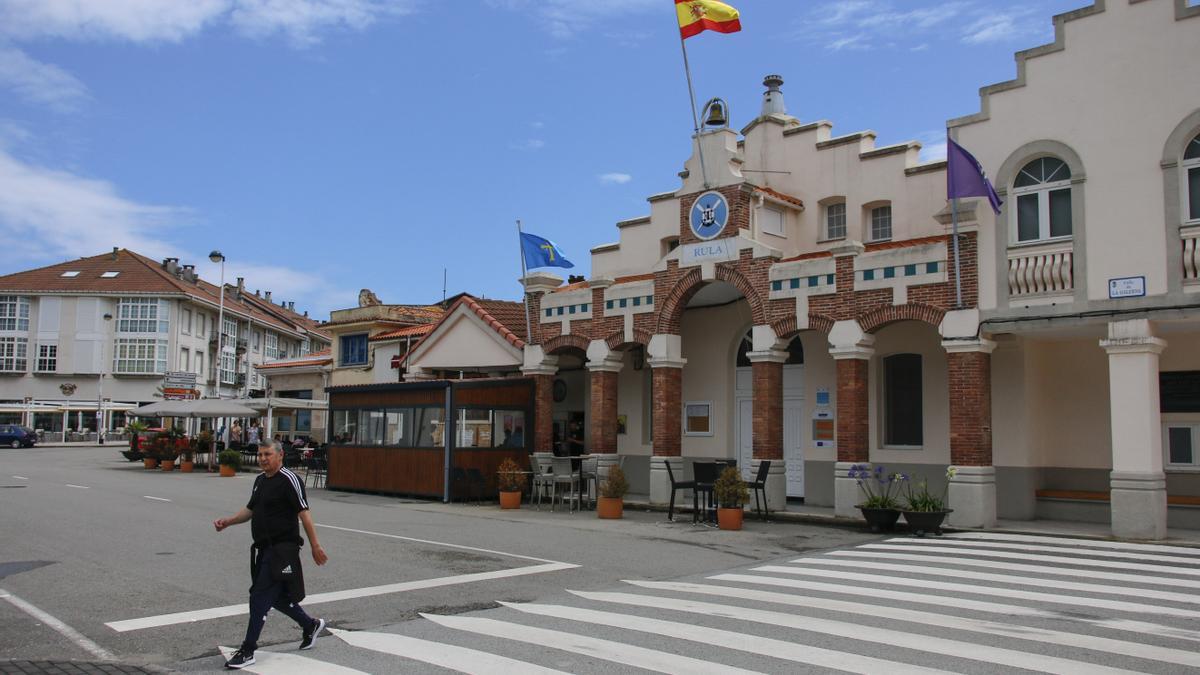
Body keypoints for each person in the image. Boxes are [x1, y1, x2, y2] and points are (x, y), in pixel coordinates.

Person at [213, 440, 329, 669]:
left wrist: (316, 545)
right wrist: (228, 522)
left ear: (280, 455)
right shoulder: (259, 481)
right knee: (275, 597)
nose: (263, 458)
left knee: (259, 596)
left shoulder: (289, 479)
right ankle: (310, 625)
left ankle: (248, 649)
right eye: (260, 454)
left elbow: (304, 513)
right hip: (264, 547)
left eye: (267, 454)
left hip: (283, 548)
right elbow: (250, 510)